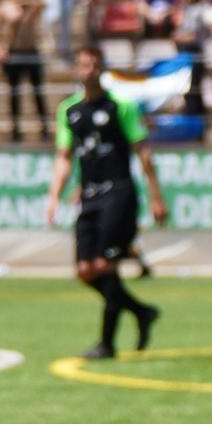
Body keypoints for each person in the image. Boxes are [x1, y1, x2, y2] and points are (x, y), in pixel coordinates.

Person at [45, 46, 166, 361]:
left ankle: (107, 344)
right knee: (85, 270)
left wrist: (156, 196)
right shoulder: (68, 110)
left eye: (94, 65)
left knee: (104, 265)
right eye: (83, 65)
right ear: (77, 69)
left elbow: (143, 151)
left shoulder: (120, 106)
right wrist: (54, 195)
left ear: (102, 69)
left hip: (119, 192)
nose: (88, 71)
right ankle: (141, 311)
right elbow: (64, 157)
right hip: (89, 195)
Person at [0, 0, 48, 141]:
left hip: (31, 51)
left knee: (38, 91)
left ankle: (44, 128)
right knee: (14, 93)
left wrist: (24, 2)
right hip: (15, 52)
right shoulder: (6, 7)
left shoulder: (31, 5)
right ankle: (15, 130)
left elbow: (43, 3)